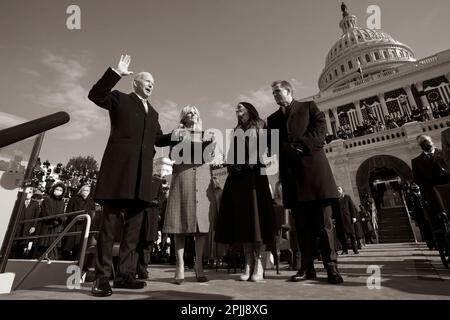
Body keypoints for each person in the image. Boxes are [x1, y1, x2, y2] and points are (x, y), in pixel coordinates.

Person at [88, 54, 172, 297]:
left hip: (141, 180)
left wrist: (178, 134)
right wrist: (115, 73)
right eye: (147, 80)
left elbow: (158, 138)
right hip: (118, 174)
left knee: (133, 234)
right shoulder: (119, 99)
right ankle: (101, 278)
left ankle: (125, 275)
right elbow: (96, 95)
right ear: (135, 82)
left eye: (153, 83)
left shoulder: (154, 112)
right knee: (109, 230)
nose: (151, 84)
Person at [267, 80, 343, 284]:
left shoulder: (309, 107)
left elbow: (320, 131)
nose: (275, 95)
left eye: (278, 91)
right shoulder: (272, 119)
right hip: (293, 179)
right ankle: (306, 267)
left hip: (316, 175)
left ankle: (331, 267)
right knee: (301, 228)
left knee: (324, 226)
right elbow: (271, 144)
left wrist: (300, 147)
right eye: (273, 93)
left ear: (289, 91)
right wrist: (288, 149)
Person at [215, 102, 276, 282]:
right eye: (236, 108)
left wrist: (255, 160)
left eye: (240, 107)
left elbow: (269, 149)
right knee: (245, 222)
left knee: (258, 220)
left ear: (249, 110)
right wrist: (234, 166)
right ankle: (248, 262)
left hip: (256, 178)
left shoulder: (261, 124)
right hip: (239, 180)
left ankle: (259, 263)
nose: (237, 109)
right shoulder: (235, 130)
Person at [162, 106, 216, 284]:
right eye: (189, 113)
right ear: (183, 118)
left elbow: (209, 157)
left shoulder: (207, 134)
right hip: (183, 177)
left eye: (195, 112)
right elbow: (174, 156)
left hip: (202, 178)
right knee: (180, 224)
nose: (193, 115)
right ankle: (179, 265)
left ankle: (198, 265)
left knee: (202, 227)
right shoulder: (177, 133)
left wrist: (208, 143)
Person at [411, 135, 450, 232]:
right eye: (422, 142)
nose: (425, 144)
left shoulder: (444, 154)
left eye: (426, 141)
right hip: (432, 195)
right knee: (439, 223)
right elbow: (418, 180)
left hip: (447, 190)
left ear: (431, 141)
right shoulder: (416, 161)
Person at [135, 176, 163, 280]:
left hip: (152, 216)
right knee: (137, 243)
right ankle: (135, 269)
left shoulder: (157, 181)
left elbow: (161, 198)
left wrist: (157, 208)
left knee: (148, 243)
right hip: (139, 214)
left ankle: (143, 269)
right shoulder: (139, 178)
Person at [61, 185, 96, 261]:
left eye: (87, 191)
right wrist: (77, 217)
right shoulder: (73, 199)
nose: (86, 192)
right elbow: (68, 212)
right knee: (67, 246)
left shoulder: (91, 201)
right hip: (73, 225)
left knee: (79, 248)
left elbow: (92, 213)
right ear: (81, 190)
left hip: (84, 226)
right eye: (84, 190)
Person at [35, 182, 67, 260]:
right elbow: (45, 212)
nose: (58, 191)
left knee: (52, 245)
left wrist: (60, 220)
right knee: (42, 244)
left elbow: (62, 213)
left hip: (55, 227)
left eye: (60, 190)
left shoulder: (62, 202)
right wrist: (54, 220)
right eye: (57, 189)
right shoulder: (47, 199)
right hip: (46, 225)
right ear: (53, 189)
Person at [13, 187, 40, 258]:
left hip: (28, 226)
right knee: (15, 243)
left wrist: (34, 226)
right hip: (18, 226)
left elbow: (36, 217)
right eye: (27, 192)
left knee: (24, 243)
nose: (28, 194)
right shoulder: (18, 202)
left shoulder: (35, 203)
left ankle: (21, 257)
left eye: (30, 192)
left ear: (32, 194)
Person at [333, 186, 359, 254]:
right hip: (339, 220)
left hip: (348, 219)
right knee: (342, 236)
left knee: (352, 235)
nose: (338, 190)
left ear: (342, 190)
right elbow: (334, 210)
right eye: (337, 189)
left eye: (339, 189)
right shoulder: (335, 199)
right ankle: (345, 250)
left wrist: (354, 217)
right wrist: (333, 218)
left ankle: (355, 249)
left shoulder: (347, 197)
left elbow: (352, 207)